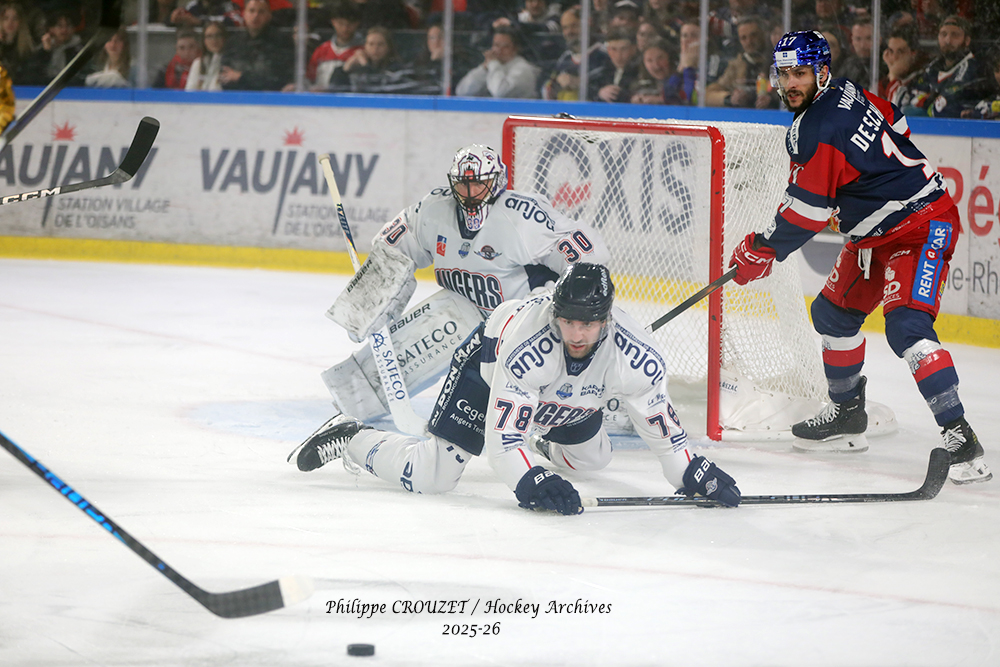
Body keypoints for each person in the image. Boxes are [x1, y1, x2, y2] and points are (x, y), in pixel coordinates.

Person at [728, 30, 990, 485]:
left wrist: (761, 248)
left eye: (801, 74)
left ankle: (960, 436)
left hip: (922, 225)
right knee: (832, 314)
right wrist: (869, 185)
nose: (790, 83)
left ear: (821, 72)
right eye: (784, 74)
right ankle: (848, 415)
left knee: (907, 326)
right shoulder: (848, 90)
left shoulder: (818, 126)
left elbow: (807, 212)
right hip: (876, 233)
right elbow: (896, 121)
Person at [293, 263, 742, 516]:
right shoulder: (527, 347)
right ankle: (352, 438)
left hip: (563, 397)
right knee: (433, 478)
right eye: (568, 321)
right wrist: (530, 477)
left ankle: (544, 444)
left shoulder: (635, 356)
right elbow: (502, 442)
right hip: (488, 380)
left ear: (606, 318)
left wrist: (691, 471)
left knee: (593, 459)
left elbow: (664, 435)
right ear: (555, 314)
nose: (577, 333)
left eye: (587, 323)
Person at [303, 144, 611, 433]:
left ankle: (609, 400)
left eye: (479, 184)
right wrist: (370, 300)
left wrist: (551, 304)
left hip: (524, 321)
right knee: (433, 329)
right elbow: (392, 248)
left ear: (497, 181)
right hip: (465, 311)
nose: (470, 192)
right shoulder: (432, 211)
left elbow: (590, 258)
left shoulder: (522, 217)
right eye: (463, 184)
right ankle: (354, 400)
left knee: (542, 402)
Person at [903, 15, 990, 119]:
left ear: (967, 40)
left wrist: (929, 98)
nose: (948, 40)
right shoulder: (933, 67)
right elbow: (913, 94)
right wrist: (931, 98)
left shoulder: (973, 67)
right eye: (943, 34)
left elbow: (949, 100)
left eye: (955, 35)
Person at [219, 0, 294, 91]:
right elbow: (225, 76)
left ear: (269, 16)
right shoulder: (233, 42)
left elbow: (278, 79)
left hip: (269, 100)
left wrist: (241, 77)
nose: (255, 15)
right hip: (237, 99)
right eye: (251, 11)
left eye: (261, 12)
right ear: (244, 14)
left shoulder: (282, 41)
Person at [705, 16, 777, 108]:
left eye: (753, 35)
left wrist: (773, 98)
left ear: (764, 35)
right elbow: (707, 95)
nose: (749, 41)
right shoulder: (737, 65)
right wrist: (730, 98)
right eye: (743, 38)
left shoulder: (777, 62)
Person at [454, 25, 540, 98]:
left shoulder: (523, 69)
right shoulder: (492, 66)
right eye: (496, 45)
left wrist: (493, 64)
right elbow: (463, 91)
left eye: (505, 46)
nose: (499, 50)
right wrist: (484, 68)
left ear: (515, 49)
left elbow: (500, 92)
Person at [306, 0, 362, 90]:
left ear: (357, 24)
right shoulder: (322, 50)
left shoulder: (362, 51)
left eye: (349, 24)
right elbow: (309, 78)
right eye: (341, 23)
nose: (345, 28)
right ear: (333, 22)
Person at [589, 28, 640, 103]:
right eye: (613, 49)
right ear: (608, 50)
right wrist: (599, 92)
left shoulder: (640, 73)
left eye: (624, 49)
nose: (618, 55)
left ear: (633, 49)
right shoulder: (600, 74)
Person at [878, 26, 923, 108]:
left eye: (900, 52)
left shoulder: (922, 81)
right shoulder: (882, 81)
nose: (894, 57)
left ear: (913, 54)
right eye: (891, 51)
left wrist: (893, 76)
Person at [185, 21, 225, 90]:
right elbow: (189, 91)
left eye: (218, 35)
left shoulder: (230, 63)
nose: (214, 40)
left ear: (224, 38)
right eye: (209, 36)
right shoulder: (198, 63)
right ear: (204, 40)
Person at [0, 3, 34, 82]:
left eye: (15, 18)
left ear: (20, 22)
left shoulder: (27, 49)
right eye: (6, 18)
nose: (10, 22)